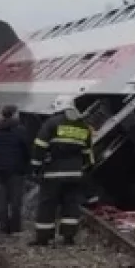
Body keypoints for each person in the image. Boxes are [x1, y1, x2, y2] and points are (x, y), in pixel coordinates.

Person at [30, 100, 93, 246]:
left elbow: (39, 146)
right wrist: (82, 169)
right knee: (71, 204)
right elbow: (88, 154)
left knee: (47, 205)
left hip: (53, 173)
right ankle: (68, 237)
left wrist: (36, 167)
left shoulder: (52, 123)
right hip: (74, 174)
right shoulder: (84, 127)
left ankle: (43, 238)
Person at [0, 105, 30, 235]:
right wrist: (27, 165)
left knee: (2, 200)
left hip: (0, 170)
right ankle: (15, 228)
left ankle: (3, 226)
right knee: (15, 201)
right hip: (16, 170)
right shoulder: (20, 130)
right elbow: (26, 149)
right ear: (14, 114)